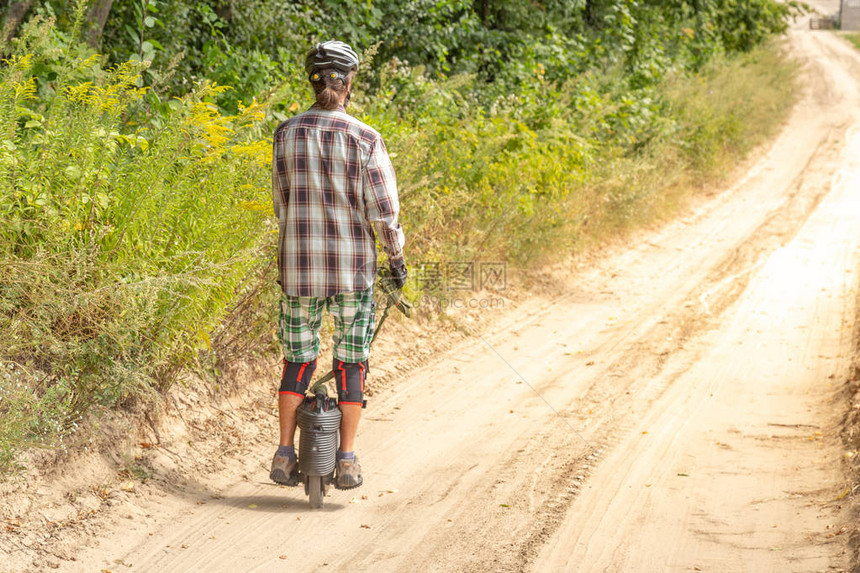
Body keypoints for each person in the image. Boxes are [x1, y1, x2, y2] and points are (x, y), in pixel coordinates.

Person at [269, 40, 407, 490]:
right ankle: (346, 459)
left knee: (298, 360)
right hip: (353, 272)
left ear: (311, 81)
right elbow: (383, 212)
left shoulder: (285, 133)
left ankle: (285, 454)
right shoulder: (366, 138)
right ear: (348, 83)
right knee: (351, 361)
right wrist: (397, 260)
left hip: (298, 269)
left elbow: (281, 204)